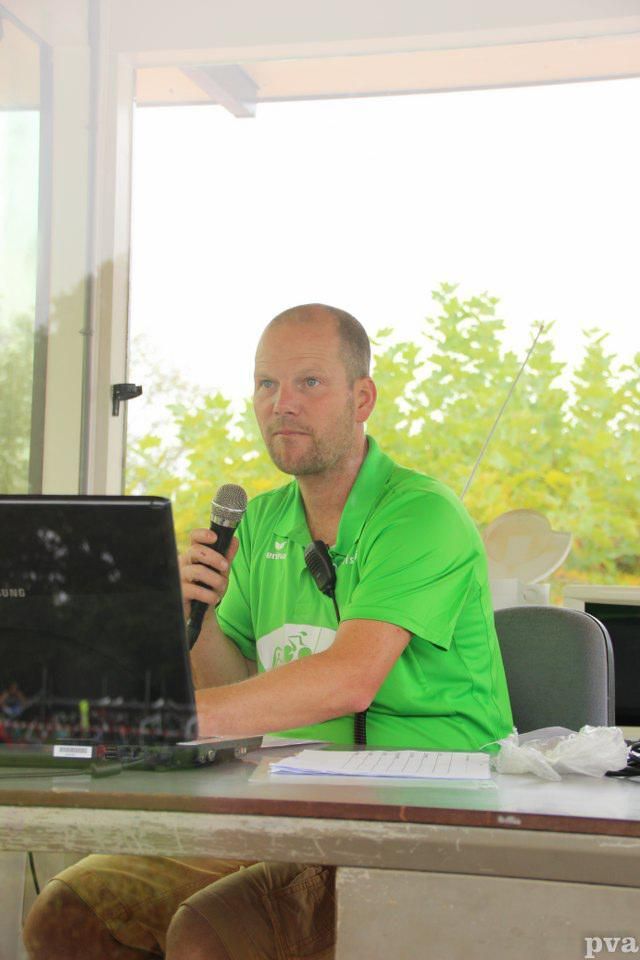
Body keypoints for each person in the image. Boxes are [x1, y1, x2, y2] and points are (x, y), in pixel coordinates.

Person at [23, 303, 513, 960]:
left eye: (309, 382)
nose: (282, 404)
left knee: (206, 935)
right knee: (70, 914)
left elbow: (349, 680)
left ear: (362, 398)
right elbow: (233, 687)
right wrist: (193, 618)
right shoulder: (258, 523)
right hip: (283, 814)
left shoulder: (422, 515)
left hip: (423, 826)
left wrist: (163, 718)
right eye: (266, 384)